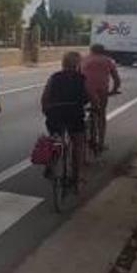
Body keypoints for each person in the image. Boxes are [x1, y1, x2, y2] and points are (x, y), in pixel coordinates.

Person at [42, 51, 91, 189]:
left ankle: (51, 163)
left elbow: (45, 96)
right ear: (77, 64)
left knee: (56, 139)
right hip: (74, 113)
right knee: (78, 144)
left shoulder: (54, 77)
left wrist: (46, 110)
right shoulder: (81, 78)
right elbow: (90, 96)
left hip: (55, 113)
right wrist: (97, 107)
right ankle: (76, 178)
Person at [80, 44, 121, 150]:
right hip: (102, 91)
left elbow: (78, 75)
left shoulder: (84, 59)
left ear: (91, 51)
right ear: (103, 51)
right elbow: (116, 78)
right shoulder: (108, 61)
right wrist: (114, 90)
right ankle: (101, 143)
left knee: (82, 111)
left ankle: (84, 134)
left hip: (86, 90)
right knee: (101, 114)